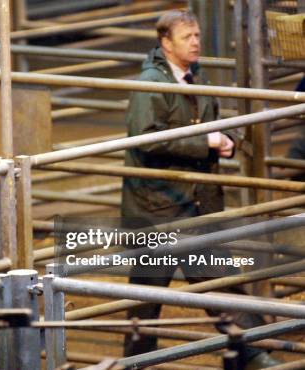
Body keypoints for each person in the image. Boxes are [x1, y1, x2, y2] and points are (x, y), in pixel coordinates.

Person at [121, 10, 281, 369]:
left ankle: (250, 353)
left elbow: (217, 125)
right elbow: (147, 138)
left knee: (214, 282)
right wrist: (205, 141)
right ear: (166, 43)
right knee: (145, 299)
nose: (196, 42)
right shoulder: (152, 84)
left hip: (190, 205)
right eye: (187, 37)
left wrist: (228, 140)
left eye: (197, 35)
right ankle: (138, 362)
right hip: (157, 211)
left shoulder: (194, 78)